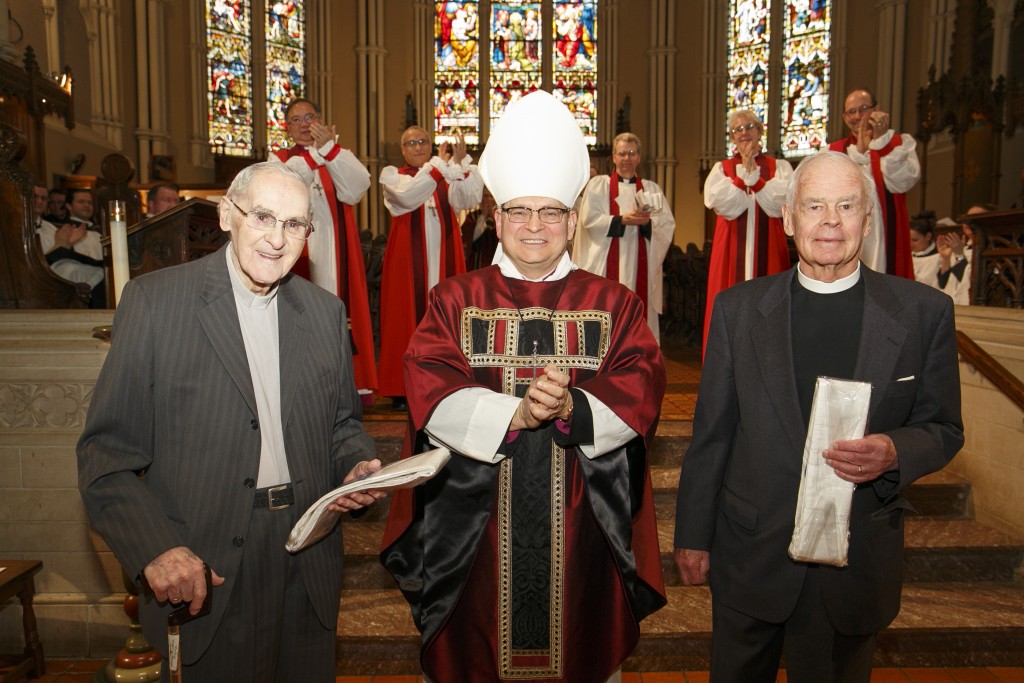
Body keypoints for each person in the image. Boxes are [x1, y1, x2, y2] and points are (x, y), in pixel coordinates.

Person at [380, 90, 667, 683]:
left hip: (583, 533)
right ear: (498, 216)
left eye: (550, 212)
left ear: (570, 221)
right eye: (518, 211)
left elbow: (642, 380)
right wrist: (512, 416)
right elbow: (428, 382)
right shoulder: (455, 299)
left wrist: (572, 407)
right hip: (474, 538)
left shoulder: (614, 304)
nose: (534, 226)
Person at [78, 162, 383, 681]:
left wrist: (355, 464)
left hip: (308, 554)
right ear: (226, 215)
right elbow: (106, 457)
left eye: (294, 224)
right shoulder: (155, 303)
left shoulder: (325, 312)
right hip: (206, 563)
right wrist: (156, 549)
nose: (277, 239)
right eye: (263, 216)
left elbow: (340, 424)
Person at [673, 151, 964, 682]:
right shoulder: (738, 310)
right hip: (751, 554)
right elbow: (712, 434)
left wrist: (896, 451)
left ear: (867, 221)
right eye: (814, 205)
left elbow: (944, 428)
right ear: (789, 218)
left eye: (846, 205)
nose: (830, 220)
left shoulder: (923, 313)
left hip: (855, 560)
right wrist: (692, 535)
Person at [270, 97, 378, 394]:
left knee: (337, 307)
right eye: (297, 119)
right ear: (287, 128)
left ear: (320, 120)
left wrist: (330, 152)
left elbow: (356, 189)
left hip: (335, 245)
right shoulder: (278, 159)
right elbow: (284, 183)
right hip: (296, 247)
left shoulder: (337, 154)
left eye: (310, 117)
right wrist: (315, 156)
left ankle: (343, 385)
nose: (305, 124)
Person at [378, 126, 482, 408]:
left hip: (445, 253)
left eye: (423, 141)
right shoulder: (393, 175)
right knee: (406, 315)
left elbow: (468, 200)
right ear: (403, 149)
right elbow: (406, 198)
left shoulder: (443, 175)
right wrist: (439, 167)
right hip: (407, 262)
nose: (418, 147)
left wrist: (460, 166)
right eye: (411, 143)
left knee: (446, 316)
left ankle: (448, 380)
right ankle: (402, 388)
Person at [702, 109, 792, 351]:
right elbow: (725, 206)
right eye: (738, 129)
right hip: (731, 250)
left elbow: (780, 204)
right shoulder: (722, 168)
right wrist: (744, 177)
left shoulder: (779, 167)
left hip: (770, 250)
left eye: (749, 127)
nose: (744, 133)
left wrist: (756, 178)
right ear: (732, 136)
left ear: (760, 131)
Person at [575, 132, 675, 342]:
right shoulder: (599, 185)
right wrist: (621, 220)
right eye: (622, 153)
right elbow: (588, 221)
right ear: (613, 157)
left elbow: (666, 225)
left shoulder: (651, 189)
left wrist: (647, 223)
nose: (626, 158)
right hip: (606, 264)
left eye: (631, 153)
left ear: (639, 157)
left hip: (642, 265)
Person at [829, 88, 920, 279]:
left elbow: (902, 183)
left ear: (876, 109)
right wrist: (859, 153)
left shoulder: (898, 143)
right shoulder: (832, 151)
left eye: (863, 108)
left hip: (885, 231)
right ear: (844, 117)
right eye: (851, 112)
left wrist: (882, 144)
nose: (857, 116)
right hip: (846, 229)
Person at [32, 183, 106, 307]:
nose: (39, 201)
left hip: (61, 273)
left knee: (103, 272)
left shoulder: (50, 227)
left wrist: (67, 244)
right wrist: (63, 244)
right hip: (45, 279)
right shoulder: (17, 227)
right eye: (35, 197)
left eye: (43, 198)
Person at [460, 189, 499, 270]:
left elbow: (505, 238)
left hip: (496, 264)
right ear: (480, 199)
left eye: (491, 196)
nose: (488, 199)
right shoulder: (472, 217)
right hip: (475, 264)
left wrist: (493, 216)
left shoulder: (502, 217)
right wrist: (483, 216)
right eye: (485, 196)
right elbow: (470, 240)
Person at [909, 210, 940, 287]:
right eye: (908, 239)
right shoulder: (906, 258)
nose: (910, 244)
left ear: (928, 236)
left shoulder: (938, 258)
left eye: (915, 240)